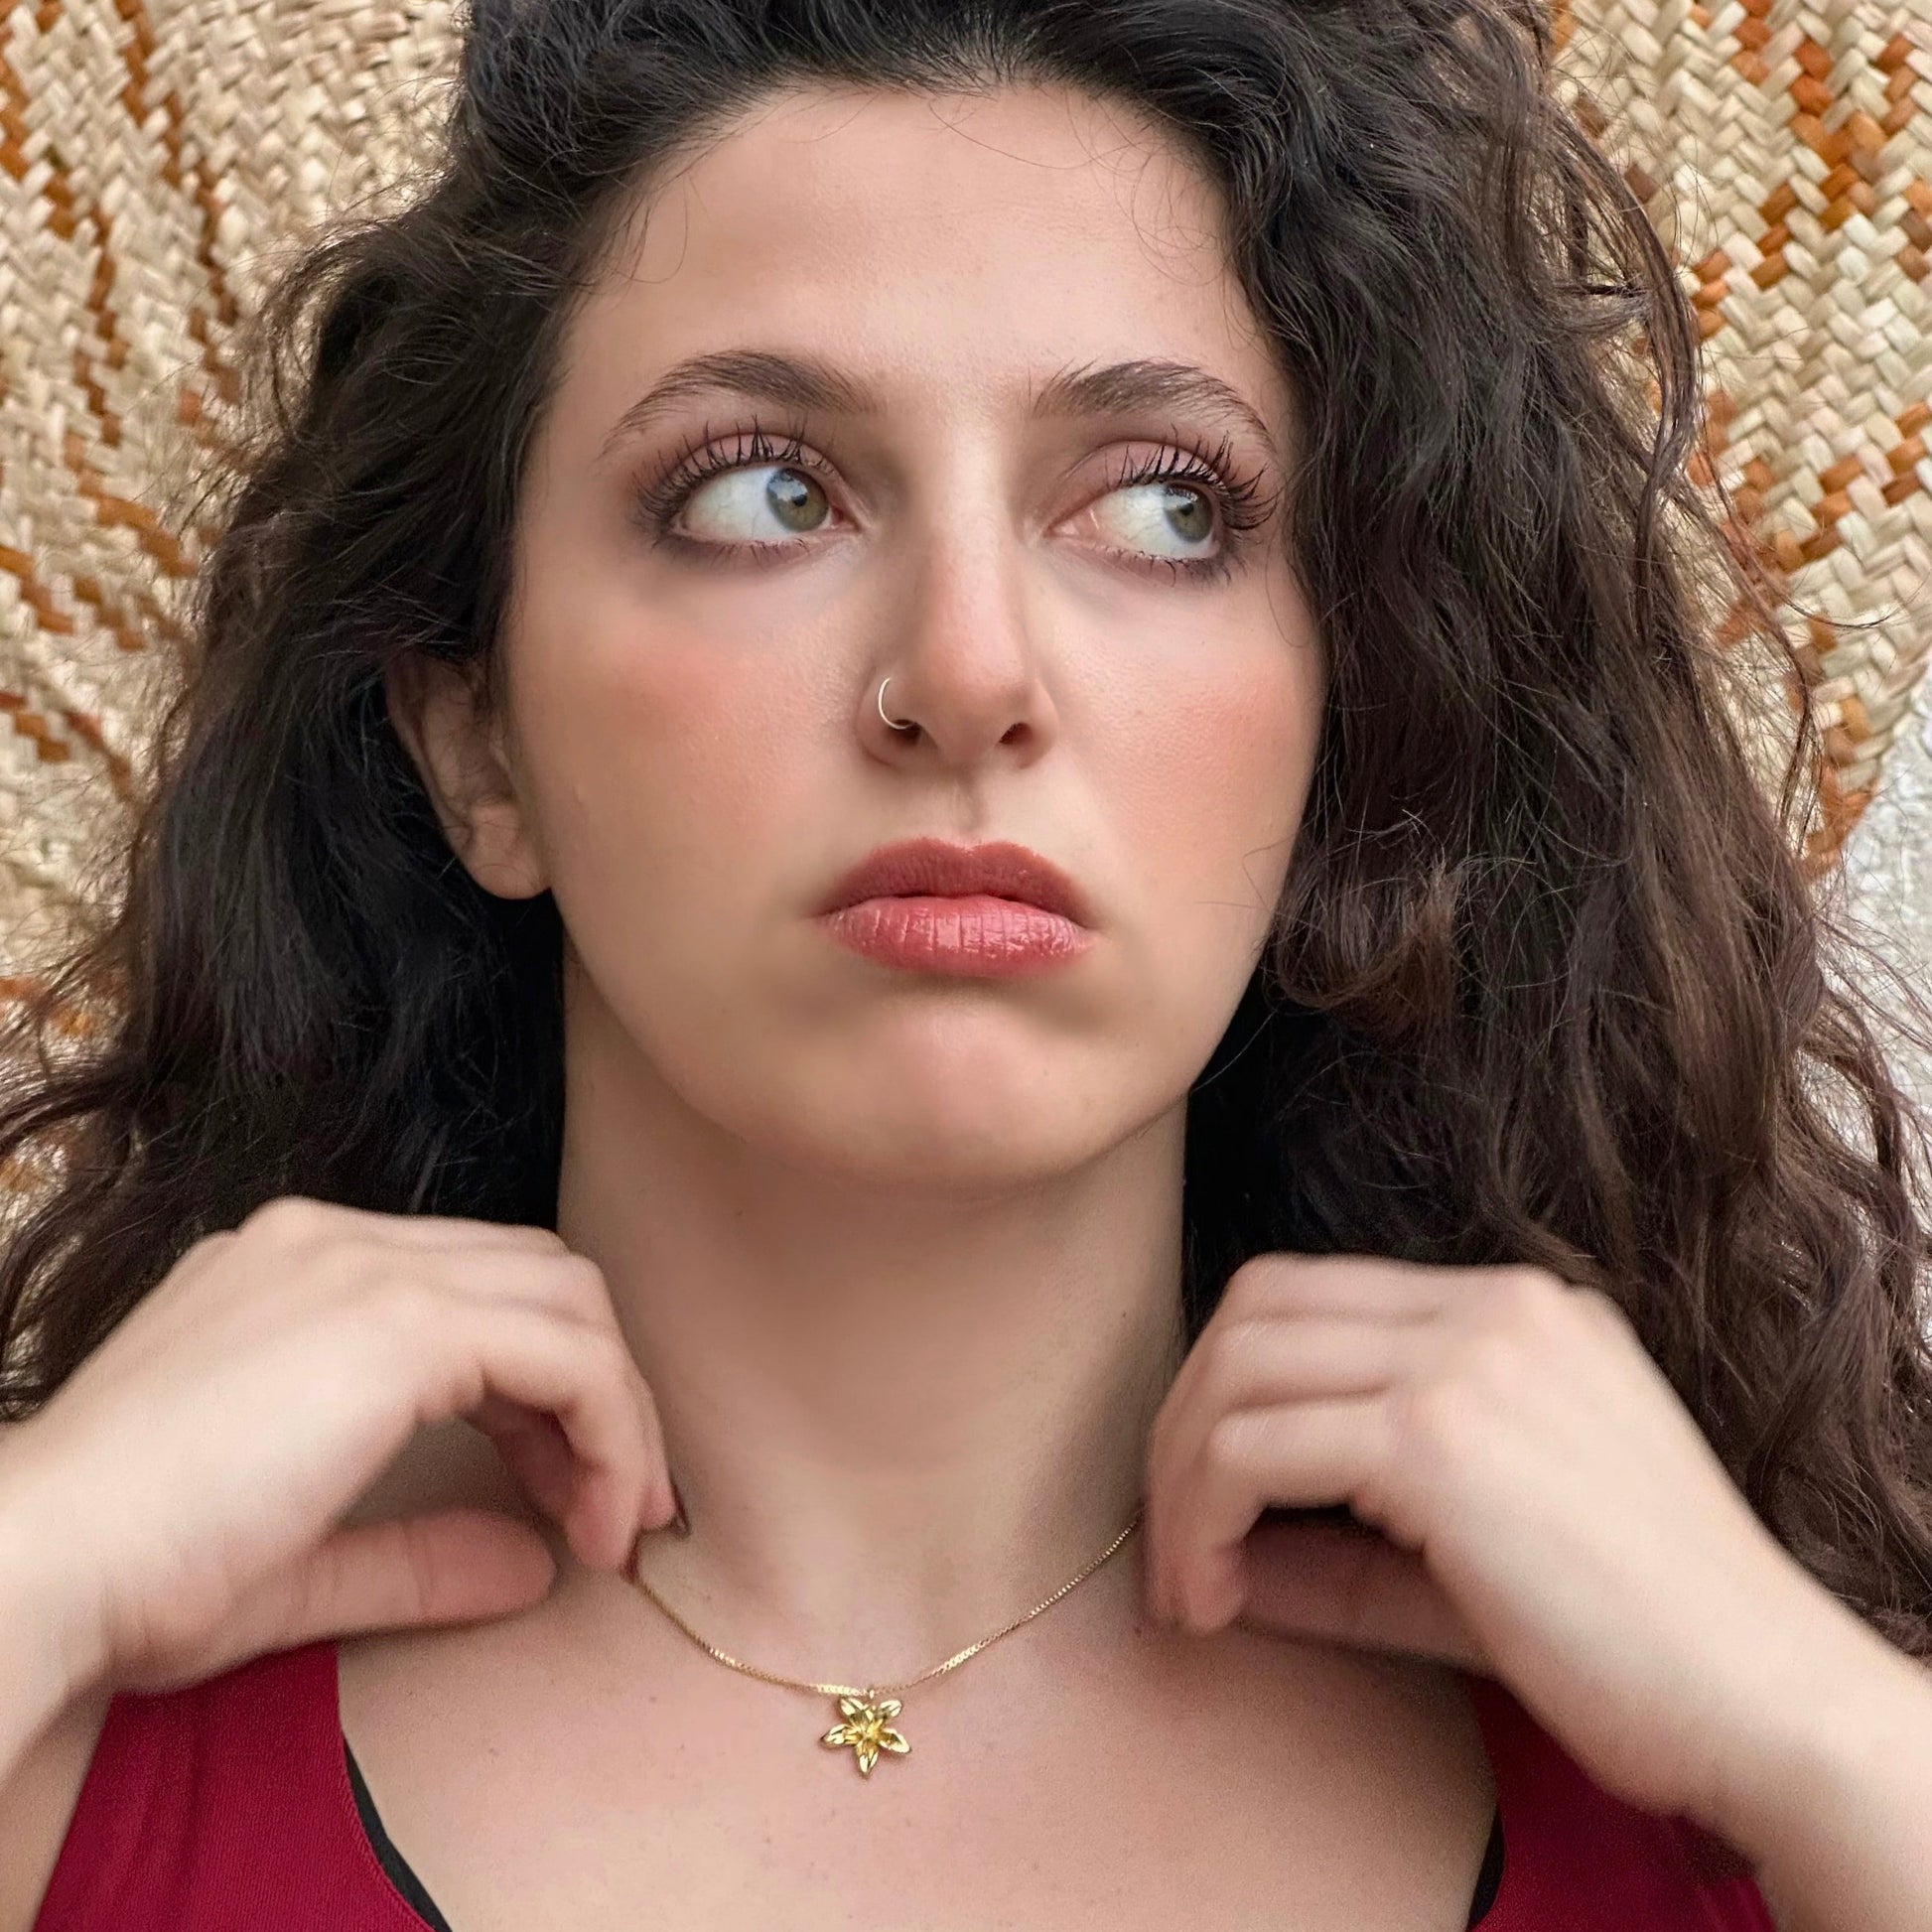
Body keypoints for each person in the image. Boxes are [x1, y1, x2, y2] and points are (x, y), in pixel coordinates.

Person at [1, 0, 1930, 1925]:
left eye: (1165, 506)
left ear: (1356, 711)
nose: (970, 674)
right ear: (477, 740)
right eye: (765, 490)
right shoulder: (67, 1737)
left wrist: (1841, 1747)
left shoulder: (1747, 1786)